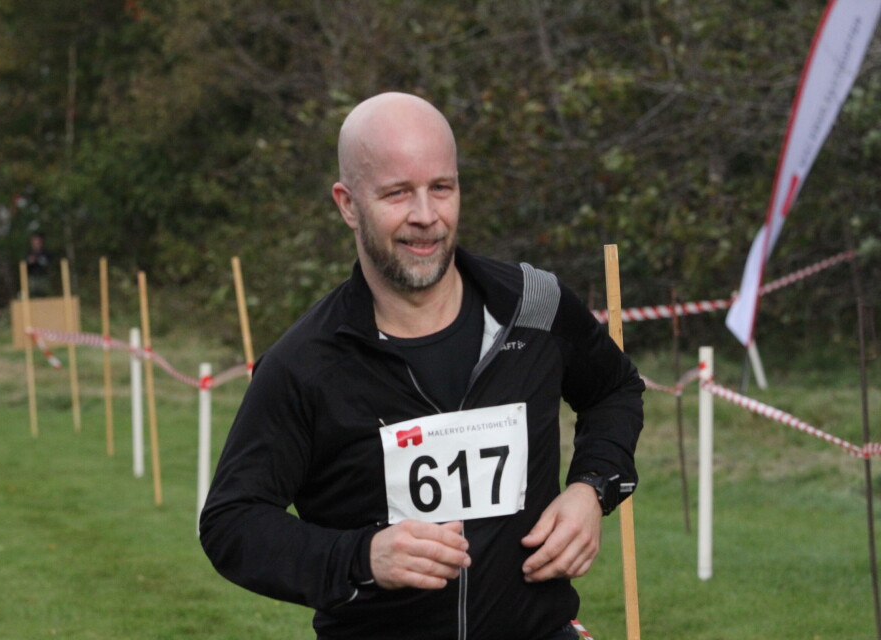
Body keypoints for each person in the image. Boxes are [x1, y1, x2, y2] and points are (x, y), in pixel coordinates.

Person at [200, 92, 644, 640]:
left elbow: (615, 390)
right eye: (397, 193)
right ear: (347, 204)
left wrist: (591, 489)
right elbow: (232, 522)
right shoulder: (306, 363)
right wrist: (362, 556)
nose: (426, 217)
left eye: (441, 188)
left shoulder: (535, 307)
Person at [25, 232, 52, 297]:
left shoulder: (46, 252)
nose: (37, 243)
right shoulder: (28, 253)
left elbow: (48, 262)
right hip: (32, 278)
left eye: (38, 241)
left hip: (43, 278)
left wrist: (37, 260)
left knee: (45, 296)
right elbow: (24, 264)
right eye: (35, 241)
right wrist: (29, 261)